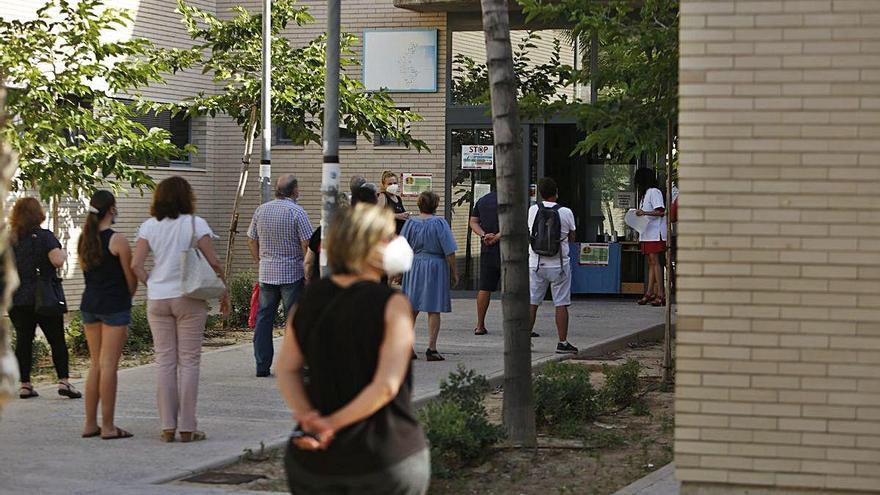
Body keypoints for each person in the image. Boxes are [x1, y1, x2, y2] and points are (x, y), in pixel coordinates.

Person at [276, 204, 429, 495]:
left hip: (311, 460)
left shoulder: (306, 302)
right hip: (383, 455)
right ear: (366, 244)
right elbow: (386, 385)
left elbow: (286, 368)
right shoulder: (392, 304)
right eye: (388, 237)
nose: (397, 243)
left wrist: (309, 418)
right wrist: (331, 425)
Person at [132, 176, 229, 443]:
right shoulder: (195, 224)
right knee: (189, 362)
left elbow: (136, 265)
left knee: (164, 362)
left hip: (158, 299)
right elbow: (214, 261)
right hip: (188, 297)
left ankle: (166, 426)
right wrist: (224, 292)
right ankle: (187, 426)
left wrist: (152, 283)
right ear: (187, 197)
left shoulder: (149, 226)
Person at [78, 191, 138, 440]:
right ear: (111, 209)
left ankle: (90, 423)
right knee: (109, 365)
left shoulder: (85, 239)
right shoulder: (118, 240)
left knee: (95, 364)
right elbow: (130, 277)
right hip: (114, 306)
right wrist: (129, 297)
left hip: (89, 303)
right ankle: (109, 426)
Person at [9, 197, 81, 400]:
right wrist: (64, 254)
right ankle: (64, 382)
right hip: (44, 297)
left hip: (17, 298)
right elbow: (57, 260)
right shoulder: (44, 236)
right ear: (38, 214)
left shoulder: (9, 239)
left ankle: (25, 385)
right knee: (56, 339)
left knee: (23, 341)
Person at [247, 175, 312, 377]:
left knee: (264, 319)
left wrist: (260, 260)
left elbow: (251, 239)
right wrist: (307, 268)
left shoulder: (261, 210)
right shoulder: (297, 212)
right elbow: (306, 243)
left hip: (267, 273)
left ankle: (262, 365)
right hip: (292, 273)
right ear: (294, 191)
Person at [401, 191, 458, 361]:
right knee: (433, 309)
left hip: (414, 265)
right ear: (435, 205)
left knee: (411, 308)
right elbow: (449, 250)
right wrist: (454, 271)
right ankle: (431, 348)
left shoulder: (410, 223)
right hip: (435, 266)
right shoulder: (440, 223)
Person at [527, 178, 578, 354]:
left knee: (532, 302)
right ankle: (562, 342)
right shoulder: (566, 212)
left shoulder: (533, 210)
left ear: (540, 193)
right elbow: (572, 237)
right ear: (556, 192)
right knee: (561, 303)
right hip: (559, 264)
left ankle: (524, 341)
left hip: (536, 263)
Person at [304, 184, 378, 285]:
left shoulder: (321, 231)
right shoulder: (356, 231)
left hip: (322, 285)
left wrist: (308, 278)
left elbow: (308, 262)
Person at [469, 188, 501, 335]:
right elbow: (514, 224)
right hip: (510, 252)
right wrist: (497, 237)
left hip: (488, 249)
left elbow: (473, 221)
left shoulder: (483, 200)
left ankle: (480, 325)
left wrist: (484, 236)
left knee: (485, 288)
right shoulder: (513, 201)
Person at [633, 168, 666, 307]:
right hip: (647, 232)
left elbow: (661, 211)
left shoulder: (653, 192)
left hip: (654, 232)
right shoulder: (644, 194)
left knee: (655, 261)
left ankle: (660, 293)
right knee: (651, 262)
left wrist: (644, 212)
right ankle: (650, 292)